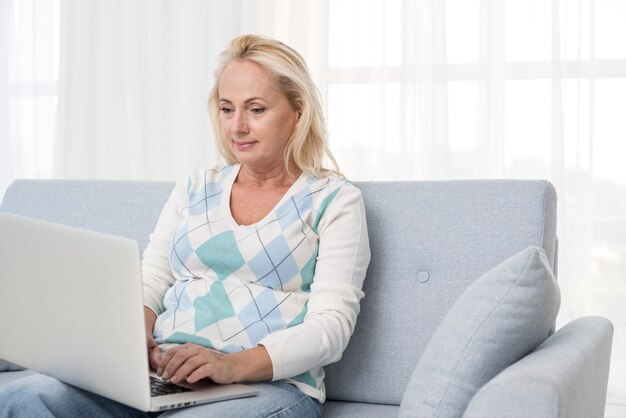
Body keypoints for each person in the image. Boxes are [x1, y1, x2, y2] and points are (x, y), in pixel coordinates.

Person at [0, 34, 370, 417]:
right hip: (163, 374)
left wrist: (231, 365)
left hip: (266, 386)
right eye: (227, 109)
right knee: (23, 400)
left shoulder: (335, 200)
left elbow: (332, 327)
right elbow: (152, 280)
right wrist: (134, 340)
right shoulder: (196, 185)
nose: (237, 126)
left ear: (297, 112)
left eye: (256, 109)